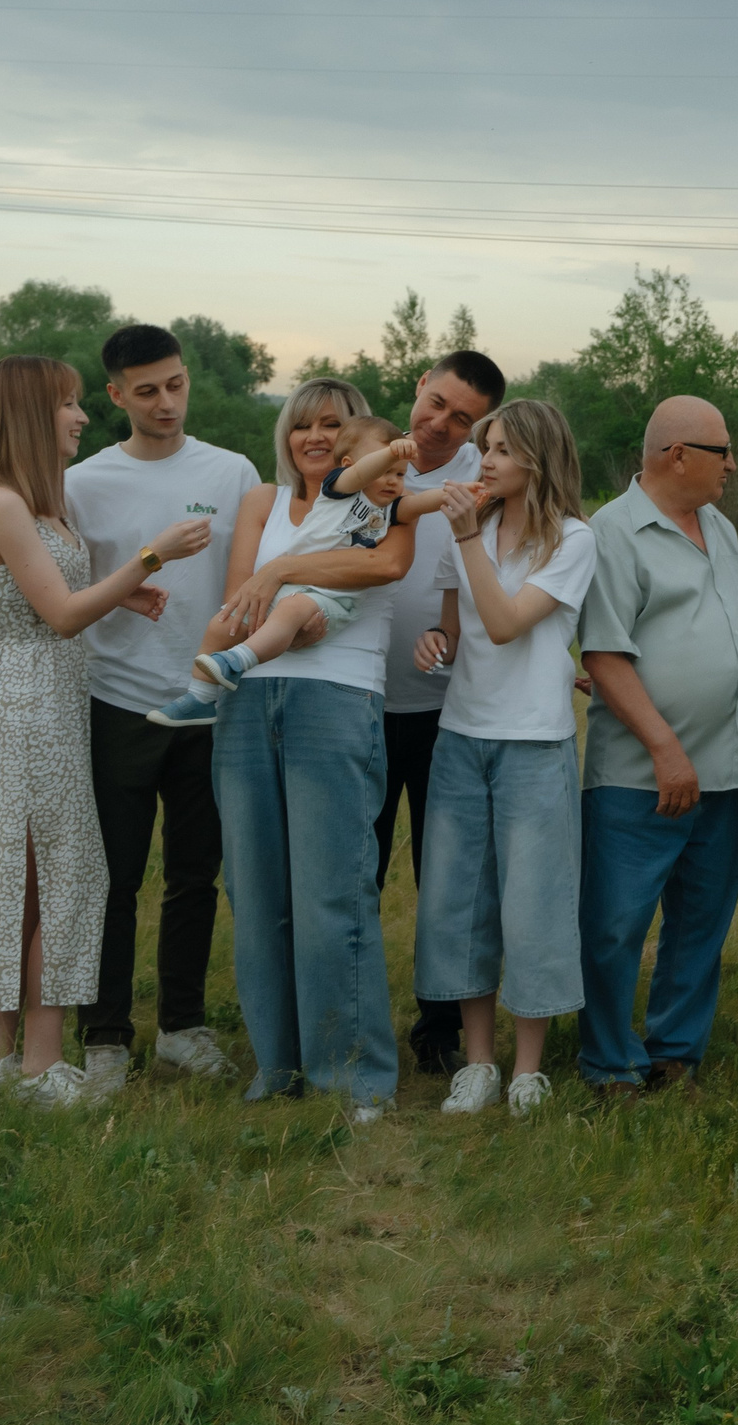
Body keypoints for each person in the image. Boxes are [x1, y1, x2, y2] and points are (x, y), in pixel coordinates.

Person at [0, 323, 260, 1099]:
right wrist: (145, 560)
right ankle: (99, 1038)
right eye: (142, 390)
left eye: (176, 384)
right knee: (93, 877)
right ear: (119, 394)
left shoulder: (232, 471)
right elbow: (48, 592)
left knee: (190, 874)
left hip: (206, 702)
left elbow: (46, 581)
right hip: (101, 699)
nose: (165, 401)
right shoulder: (76, 483)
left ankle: (178, 1028)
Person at [211, 376, 419, 1120]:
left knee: (332, 892)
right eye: (302, 424)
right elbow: (240, 601)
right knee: (258, 890)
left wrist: (284, 570)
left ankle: (353, 1075)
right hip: (246, 700)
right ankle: (279, 1065)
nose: (315, 437)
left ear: (357, 433)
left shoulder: (381, 499)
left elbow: (383, 566)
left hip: (335, 698)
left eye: (332, 424)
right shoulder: (261, 505)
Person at [409, 399, 597, 1119]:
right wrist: (436, 642)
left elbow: (508, 622)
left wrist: (464, 541)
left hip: (534, 742)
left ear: (539, 460)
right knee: (460, 906)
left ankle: (527, 1070)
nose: (484, 461)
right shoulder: (473, 530)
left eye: (502, 450)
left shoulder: (573, 540)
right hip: (460, 735)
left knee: (534, 906)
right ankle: (478, 1064)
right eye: (485, 446)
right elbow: (462, 631)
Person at [575, 396, 738, 1093]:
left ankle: (675, 1049)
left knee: (701, 922)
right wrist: (664, 747)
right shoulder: (614, 531)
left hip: (723, 768)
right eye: (723, 450)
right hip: (642, 771)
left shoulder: (721, 526)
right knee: (617, 923)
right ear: (676, 455)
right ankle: (609, 1059)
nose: (734, 464)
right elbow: (604, 653)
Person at [373, 351, 504, 1077]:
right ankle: (354, 1014)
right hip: (358, 702)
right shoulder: (372, 458)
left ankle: (440, 1025)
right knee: (355, 871)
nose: (442, 424)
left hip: (446, 711)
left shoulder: (484, 481)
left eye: (463, 419)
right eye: (439, 403)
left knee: (445, 875)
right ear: (420, 382)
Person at [145, 419, 446, 725]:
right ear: (348, 464)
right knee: (222, 623)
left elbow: (419, 503)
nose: (393, 481)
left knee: (291, 611)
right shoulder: (339, 489)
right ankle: (199, 696)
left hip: (333, 596)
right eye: (384, 470)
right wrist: (392, 453)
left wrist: (451, 494)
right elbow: (361, 473)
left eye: (400, 473)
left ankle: (238, 659)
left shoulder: (389, 510)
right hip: (290, 584)